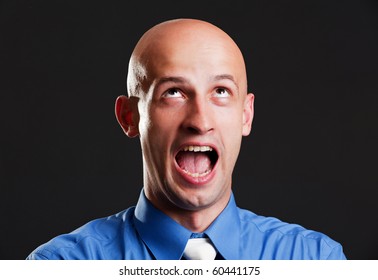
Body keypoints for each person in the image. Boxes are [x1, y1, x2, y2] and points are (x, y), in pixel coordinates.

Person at [26, 18, 346, 260]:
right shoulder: (63, 266)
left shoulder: (315, 259)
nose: (200, 121)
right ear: (129, 117)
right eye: (174, 92)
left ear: (245, 115)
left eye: (220, 92)